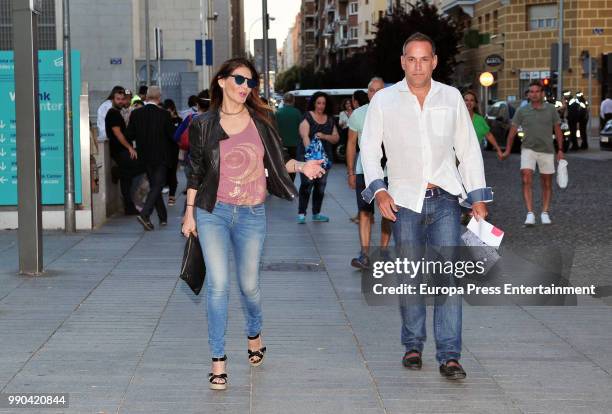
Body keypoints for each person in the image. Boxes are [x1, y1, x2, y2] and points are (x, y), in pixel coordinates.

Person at [180, 57, 326, 390]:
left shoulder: (263, 119)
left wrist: (302, 167)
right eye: (240, 80)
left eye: (251, 82)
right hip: (212, 210)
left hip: (251, 214)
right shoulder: (203, 123)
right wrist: (190, 213)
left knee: (249, 286)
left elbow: (277, 161)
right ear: (222, 82)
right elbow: (196, 171)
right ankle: (218, 361)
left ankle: (254, 332)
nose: (246, 87)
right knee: (218, 285)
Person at [361, 33, 492, 380]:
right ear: (403, 61)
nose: (418, 66)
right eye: (411, 59)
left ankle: (450, 355)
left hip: (446, 199)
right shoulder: (385, 101)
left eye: (425, 59)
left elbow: (467, 149)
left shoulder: (450, 98)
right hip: (403, 203)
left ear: (434, 61)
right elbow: (370, 149)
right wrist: (379, 191)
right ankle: (413, 345)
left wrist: (478, 197)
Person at [502, 80, 564, 226]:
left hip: (547, 150)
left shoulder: (551, 109)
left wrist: (560, 150)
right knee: (526, 178)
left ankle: (545, 212)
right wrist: (507, 150)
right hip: (528, 149)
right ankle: (530, 213)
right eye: (531, 92)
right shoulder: (522, 111)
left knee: (546, 183)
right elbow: (512, 132)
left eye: (537, 91)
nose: (534, 94)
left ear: (542, 93)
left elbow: (558, 130)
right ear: (528, 94)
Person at [346, 79, 392, 269]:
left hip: (390, 173)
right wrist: (350, 172)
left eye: (379, 90)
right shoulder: (358, 114)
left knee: (388, 214)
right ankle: (364, 254)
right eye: (371, 91)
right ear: (368, 93)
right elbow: (350, 143)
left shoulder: (395, 112)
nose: (375, 94)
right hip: (364, 172)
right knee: (365, 212)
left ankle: (383, 251)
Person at [127, 86, 175, 230]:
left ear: (146, 97)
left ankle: (163, 217)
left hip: (144, 156)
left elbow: (129, 135)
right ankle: (145, 214)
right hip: (161, 156)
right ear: (159, 98)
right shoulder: (165, 115)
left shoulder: (136, 114)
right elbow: (172, 135)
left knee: (155, 185)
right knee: (158, 185)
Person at [296, 91, 340, 223]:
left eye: (323, 103)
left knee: (321, 185)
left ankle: (316, 213)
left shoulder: (330, 119)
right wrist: (311, 157)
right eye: (318, 103)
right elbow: (305, 136)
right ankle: (302, 214)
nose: (321, 106)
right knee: (306, 184)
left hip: (324, 159)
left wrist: (325, 136)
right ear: (314, 103)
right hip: (307, 157)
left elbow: (336, 138)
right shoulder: (307, 117)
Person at [105, 88, 143, 215]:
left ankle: (129, 207)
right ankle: (118, 172)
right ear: (112, 99)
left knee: (126, 178)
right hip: (120, 151)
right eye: (118, 99)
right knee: (141, 165)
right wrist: (129, 147)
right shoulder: (113, 114)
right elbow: (118, 134)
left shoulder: (117, 112)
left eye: (122, 99)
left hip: (121, 150)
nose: (121, 102)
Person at [463, 90, 503, 159]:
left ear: (475, 103)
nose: (469, 103)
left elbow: (488, 135)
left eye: (472, 100)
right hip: (459, 156)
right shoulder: (457, 118)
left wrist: (498, 149)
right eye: (466, 100)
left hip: (474, 156)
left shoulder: (480, 120)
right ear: (462, 102)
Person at [274, 92, 302, 181]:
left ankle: (285, 184)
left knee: (282, 166)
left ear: (283, 100)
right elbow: (301, 128)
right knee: (293, 166)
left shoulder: (278, 113)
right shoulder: (297, 112)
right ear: (293, 101)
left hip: (281, 144)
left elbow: (274, 129)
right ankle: (291, 183)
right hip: (295, 144)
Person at [162, 99, 183, 206]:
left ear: (173, 109)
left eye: (169, 111)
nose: (168, 113)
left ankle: (172, 196)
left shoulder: (179, 120)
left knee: (172, 173)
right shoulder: (163, 120)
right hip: (163, 150)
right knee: (164, 173)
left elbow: (181, 135)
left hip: (174, 150)